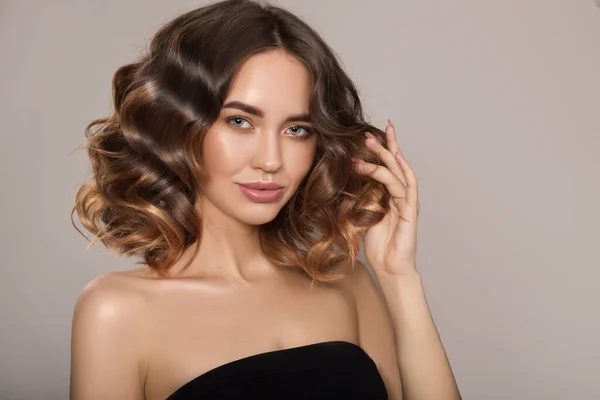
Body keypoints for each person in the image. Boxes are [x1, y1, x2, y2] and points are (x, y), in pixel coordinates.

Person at [69, 0, 461, 399]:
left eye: (296, 129)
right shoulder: (117, 310)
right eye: (240, 121)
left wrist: (399, 277)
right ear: (178, 126)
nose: (271, 161)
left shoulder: (349, 284)